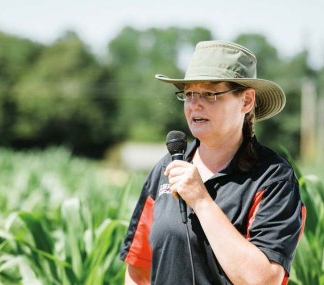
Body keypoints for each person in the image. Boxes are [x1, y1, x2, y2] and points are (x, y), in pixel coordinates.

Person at [120, 40, 306, 285]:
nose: (195, 104)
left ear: (247, 101)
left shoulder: (274, 179)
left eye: (209, 93)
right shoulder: (166, 168)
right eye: (188, 94)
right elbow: (139, 268)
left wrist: (201, 200)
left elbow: (264, 280)